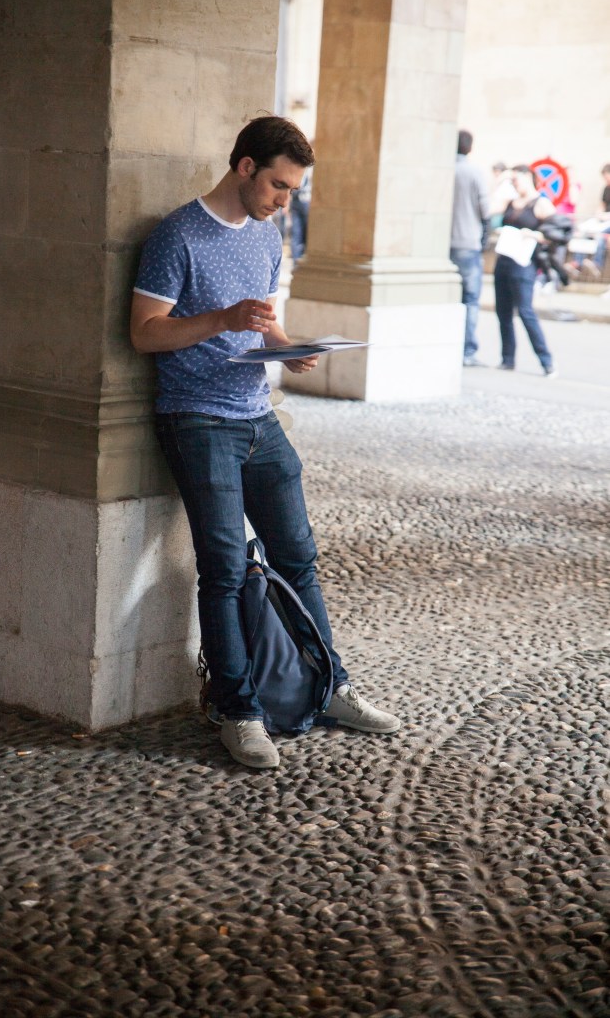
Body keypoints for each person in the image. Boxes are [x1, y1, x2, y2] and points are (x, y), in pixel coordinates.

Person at [130, 115, 401, 770]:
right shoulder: (176, 235)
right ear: (245, 167)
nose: (284, 201)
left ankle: (329, 686)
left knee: (299, 558)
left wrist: (287, 348)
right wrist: (220, 320)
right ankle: (238, 710)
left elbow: (259, 322)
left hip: (258, 416)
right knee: (224, 569)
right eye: (279, 186)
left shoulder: (265, 235)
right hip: (198, 419)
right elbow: (144, 332)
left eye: (292, 191)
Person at [491, 164, 557, 376]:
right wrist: (501, 182)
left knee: (526, 312)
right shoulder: (510, 201)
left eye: (516, 180)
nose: (514, 184)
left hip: (524, 263)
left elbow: (558, 232)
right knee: (503, 312)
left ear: (528, 177)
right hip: (504, 259)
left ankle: (546, 361)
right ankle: (507, 358)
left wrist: (535, 235)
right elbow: (489, 208)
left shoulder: (541, 203)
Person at [449, 130, 491, 366]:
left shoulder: (445, 170)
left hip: (443, 244)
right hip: (467, 242)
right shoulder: (474, 172)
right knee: (470, 300)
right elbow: (485, 209)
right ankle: (467, 351)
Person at [289, 166, 311, 261]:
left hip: (306, 201)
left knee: (305, 233)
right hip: (296, 201)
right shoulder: (299, 167)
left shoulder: (311, 169)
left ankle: (302, 258)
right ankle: (296, 261)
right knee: (296, 232)